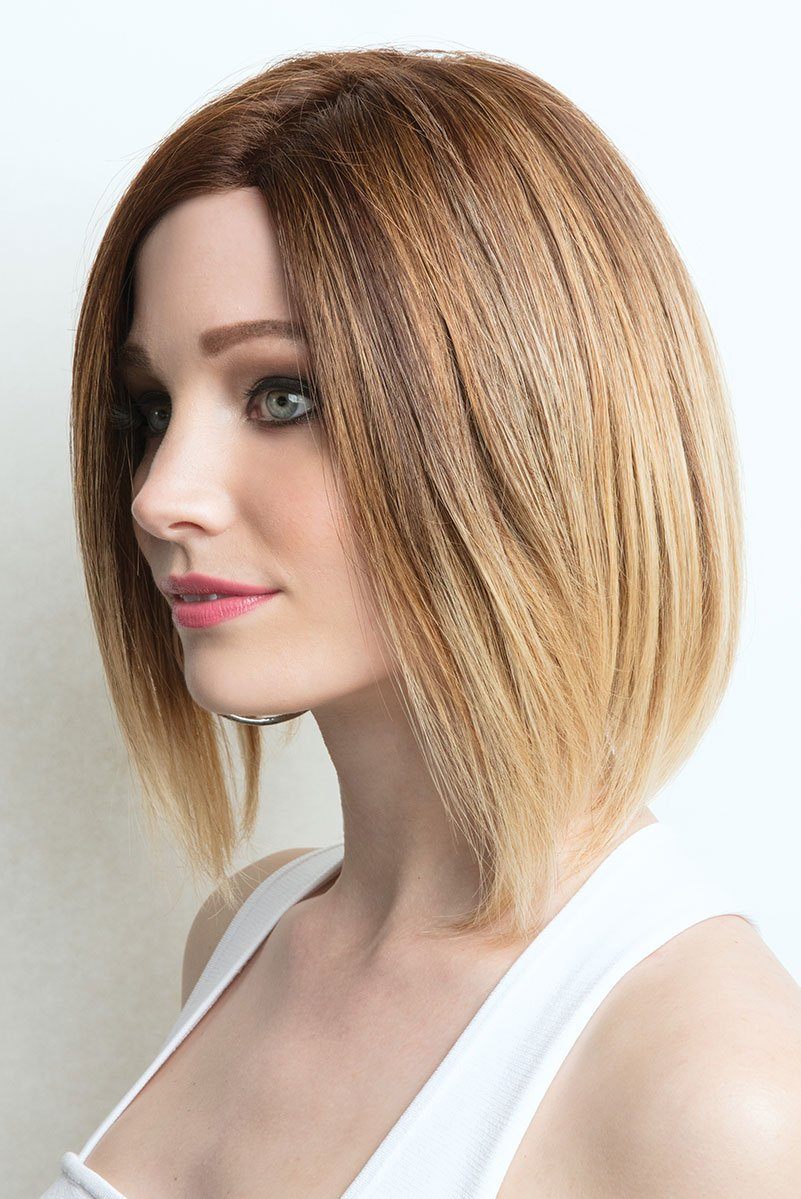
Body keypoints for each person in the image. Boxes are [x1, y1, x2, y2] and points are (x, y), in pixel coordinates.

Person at [43, 46, 801, 1199]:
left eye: (281, 395)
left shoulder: (711, 1086)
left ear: (519, 422)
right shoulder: (241, 934)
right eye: (150, 410)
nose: (158, 495)